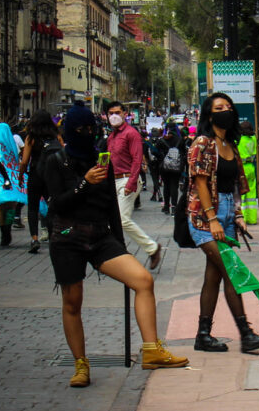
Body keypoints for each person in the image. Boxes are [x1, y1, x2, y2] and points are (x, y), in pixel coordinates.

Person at [41, 102, 187, 387]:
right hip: (67, 236)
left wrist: (120, 245)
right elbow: (56, 204)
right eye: (80, 129)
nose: (86, 133)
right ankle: (81, 364)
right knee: (72, 302)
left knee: (142, 280)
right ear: (70, 131)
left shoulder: (101, 159)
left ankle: (151, 350)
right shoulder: (55, 161)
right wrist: (84, 183)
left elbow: (110, 205)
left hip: (100, 235)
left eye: (89, 128)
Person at [186, 93, 259, 354]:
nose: (226, 110)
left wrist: (238, 215)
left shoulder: (231, 145)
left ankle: (203, 335)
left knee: (214, 277)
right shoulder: (202, 142)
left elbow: (233, 186)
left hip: (226, 215)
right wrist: (212, 219)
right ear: (209, 115)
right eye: (219, 108)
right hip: (203, 216)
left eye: (228, 107)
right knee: (232, 271)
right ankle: (246, 333)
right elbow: (200, 182)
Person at [105, 102, 163, 270]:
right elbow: (107, 159)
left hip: (127, 179)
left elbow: (137, 159)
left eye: (117, 112)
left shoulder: (131, 134)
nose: (114, 116)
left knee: (122, 219)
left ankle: (152, 248)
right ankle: (117, 254)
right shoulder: (111, 137)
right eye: (110, 113)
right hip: (114, 180)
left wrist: (131, 182)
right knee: (113, 220)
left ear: (125, 113)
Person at [17, 111, 61, 253]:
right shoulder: (56, 136)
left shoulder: (31, 138)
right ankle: (53, 236)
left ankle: (34, 238)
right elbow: (63, 154)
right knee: (51, 206)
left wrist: (20, 176)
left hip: (35, 174)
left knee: (33, 208)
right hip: (51, 175)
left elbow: (24, 162)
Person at [0, 123, 24, 246]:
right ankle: (7, 231)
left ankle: (4, 232)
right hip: (9, 179)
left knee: (1, 208)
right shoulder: (11, 145)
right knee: (10, 205)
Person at [156, 124, 185, 214]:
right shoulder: (180, 140)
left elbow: (154, 151)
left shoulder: (162, 140)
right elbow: (184, 152)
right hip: (176, 167)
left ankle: (166, 206)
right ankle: (174, 207)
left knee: (166, 186)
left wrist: (162, 157)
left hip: (165, 167)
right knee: (174, 185)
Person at [238, 121, 259, 224]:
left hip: (242, 168)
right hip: (251, 167)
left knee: (242, 192)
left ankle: (243, 217)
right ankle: (252, 218)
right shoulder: (253, 139)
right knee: (251, 193)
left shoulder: (240, 140)